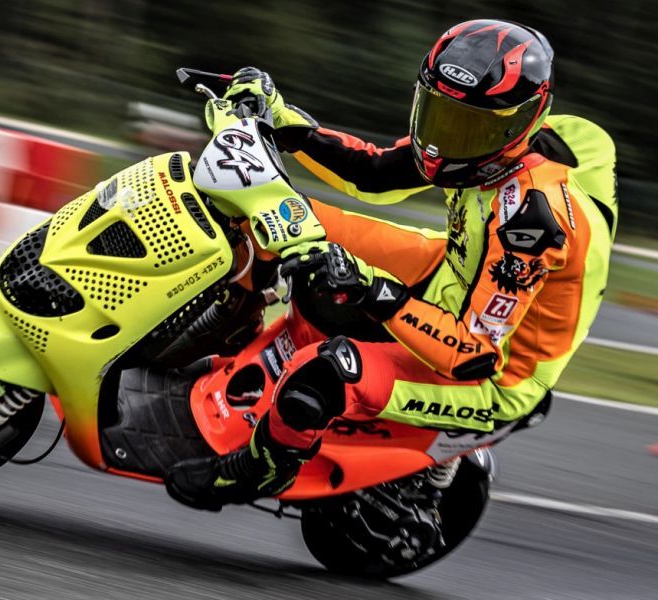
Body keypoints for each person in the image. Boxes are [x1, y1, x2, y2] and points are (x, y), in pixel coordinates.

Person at [166, 19, 619, 511]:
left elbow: (473, 352)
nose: (445, 141)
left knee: (324, 371)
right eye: (439, 114)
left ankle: (261, 468)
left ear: (520, 127)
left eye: (469, 127)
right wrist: (278, 117)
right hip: (449, 271)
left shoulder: (530, 224)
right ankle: (220, 333)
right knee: (283, 217)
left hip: (491, 372)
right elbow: (373, 171)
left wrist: (370, 287)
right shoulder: (493, 143)